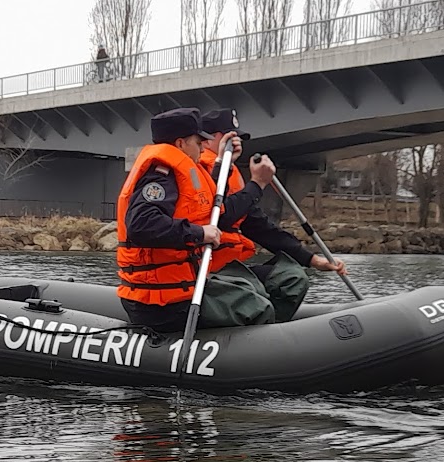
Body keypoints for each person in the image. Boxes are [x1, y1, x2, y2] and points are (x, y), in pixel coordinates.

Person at [116, 107, 323, 332]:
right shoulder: (161, 176)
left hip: (181, 287)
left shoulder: (183, 173)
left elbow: (211, 209)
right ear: (180, 144)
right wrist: (200, 233)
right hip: (161, 302)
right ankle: (256, 353)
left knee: (265, 290)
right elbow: (141, 225)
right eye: (197, 142)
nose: (202, 146)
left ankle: (255, 341)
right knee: (257, 306)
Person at [195, 108, 348, 326]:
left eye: (237, 136)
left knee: (292, 279)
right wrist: (257, 184)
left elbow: (260, 227)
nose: (236, 141)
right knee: (253, 293)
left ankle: (267, 334)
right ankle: (251, 330)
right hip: (205, 270)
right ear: (209, 138)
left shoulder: (231, 174)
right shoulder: (199, 169)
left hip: (231, 266)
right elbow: (217, 217)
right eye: (228, 136)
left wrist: (312, 260)